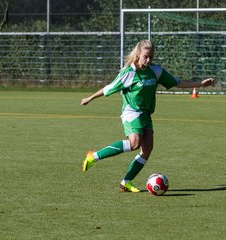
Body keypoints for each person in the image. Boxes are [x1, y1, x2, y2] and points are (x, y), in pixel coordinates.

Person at [81, 39, 215, 193]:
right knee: (134, 143)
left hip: (146, 113)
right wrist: (90, 98)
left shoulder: (156, 71)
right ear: (138, 54)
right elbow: (108, 88)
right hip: (131, 112)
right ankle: (94, 156)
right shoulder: (129, 73)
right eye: (146, 56)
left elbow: (177, 82)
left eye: (151, 57)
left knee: (147, 148)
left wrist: (201, 84)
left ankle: (126, 182)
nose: (149, 60)